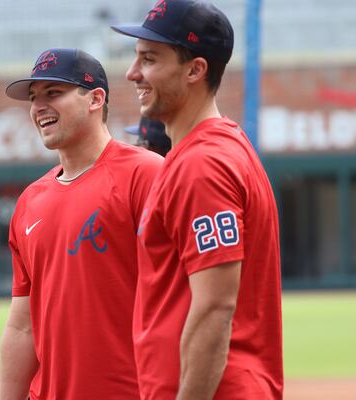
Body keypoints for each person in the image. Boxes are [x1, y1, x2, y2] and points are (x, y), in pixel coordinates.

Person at [111, 1, 283, 399]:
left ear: (195, 69)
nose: (132, 73)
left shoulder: (202, 166)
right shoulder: (207, 152)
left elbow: (214, 309)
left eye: (150, 59)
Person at [0, 48, 163, 400]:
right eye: (33, 97)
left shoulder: (145, 174)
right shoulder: (29, 201)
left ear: (95, 99)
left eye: (53, 93)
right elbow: (22, 326)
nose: (39, 106)